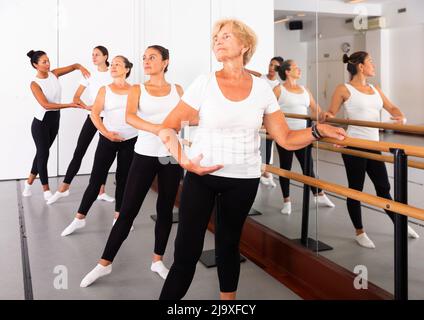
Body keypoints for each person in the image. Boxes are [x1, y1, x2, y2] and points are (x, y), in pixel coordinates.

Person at [156, 19, 346, 300]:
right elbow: (167, 127)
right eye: (216, 37)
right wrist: (184, 161)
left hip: (243, 179)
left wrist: (317, 131)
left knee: (228, 246)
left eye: (226, 36)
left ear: (245, 46)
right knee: (186, 251)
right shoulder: (204, 83)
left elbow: (285, 138)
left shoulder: (261, 89)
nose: (218, 41)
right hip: (200, 175)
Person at [79, 45, 184, 287]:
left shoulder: (177, 90)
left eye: (153, 57)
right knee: (127, 212)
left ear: (166, 62)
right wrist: (161, 130)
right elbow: (130, 117)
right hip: (145, 154)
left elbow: (185, 117)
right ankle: (104, 263)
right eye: (144, 58)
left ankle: (157, 260)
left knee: (166, 209)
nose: (147, 61)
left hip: (170, 157)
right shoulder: (138, 89)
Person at [322, 51, 419, 248]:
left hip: (374, 146)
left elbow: (392, 108)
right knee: (355, 189)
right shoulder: (344, 88)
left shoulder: (376, 89)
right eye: (370, 62)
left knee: (384, 188)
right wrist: (329, 118)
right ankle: (359, 231)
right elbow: (331, 113)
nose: (373, 65)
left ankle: (400, 223)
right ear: (360, 66)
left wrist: (401, 117)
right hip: (354, 145)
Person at [61, 56, 137, 236]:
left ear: (127, 69)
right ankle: (79, 218)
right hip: (107, 139)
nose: (113, 66)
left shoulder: (135, 90)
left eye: (118, 64)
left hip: (131, 140)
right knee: (96, 180)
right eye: (112, 64)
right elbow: (94, 114)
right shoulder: (105, 90)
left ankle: (118, 217)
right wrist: (106, 132)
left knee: (123, 179)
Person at [48, 46, 114, 204]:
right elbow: (76, 97)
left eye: (97, 54)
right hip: (92, 117)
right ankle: (64, 188)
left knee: (103, 156)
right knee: (79, 151)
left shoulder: (114, 73)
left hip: (110, 119)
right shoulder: (89, 74)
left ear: (106, 56)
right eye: (92, 54)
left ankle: (101, 191)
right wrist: (88, 107)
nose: (93, 57)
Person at [22, 50, 89, 200]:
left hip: (55, 121)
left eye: (48, 61)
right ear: (35, 65)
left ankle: (28, 184)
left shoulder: (54, 74)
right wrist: (70, 105)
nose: (48, 64)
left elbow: (73, 66)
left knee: (41, 153)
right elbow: (46, 105)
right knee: (44, 154)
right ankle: (46, 189)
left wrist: (81, 68)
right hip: (40, 123)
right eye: (44, 62)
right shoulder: (34, 84)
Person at [273, 59, 335, 215]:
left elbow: (316, 110)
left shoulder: (305, 90)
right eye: (296, 68)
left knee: (308, 167)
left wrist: (324, 115)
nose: (299, 70)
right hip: (286, 135)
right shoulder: (278, 90)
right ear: (287, 72)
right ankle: (286, 201)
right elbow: (269, 111)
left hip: (304, 135)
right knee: (285, 169)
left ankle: (318, 194)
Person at [247, 56, 284, 187]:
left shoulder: (278, 86)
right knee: (256, 145)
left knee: (268, 146)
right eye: (270, 64)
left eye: (276, 66)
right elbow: (249, 73)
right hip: (256, 118)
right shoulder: (261, 78)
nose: (272, 68)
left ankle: (265, 171)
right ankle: (262, 172)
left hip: (269, 120)